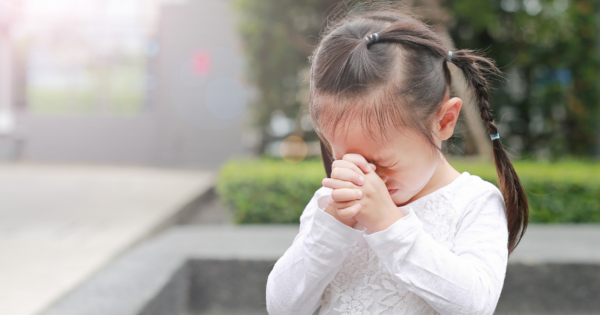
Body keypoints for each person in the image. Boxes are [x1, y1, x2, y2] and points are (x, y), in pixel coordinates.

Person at [266, 4, 529, 315]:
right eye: (346, 158)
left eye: (382, 164)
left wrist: (388, 225)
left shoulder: (474, 204)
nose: (367, 178)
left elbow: (473, 305)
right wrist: (331, 226)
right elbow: (283, 307)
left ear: (444, 122)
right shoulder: (332, 204)